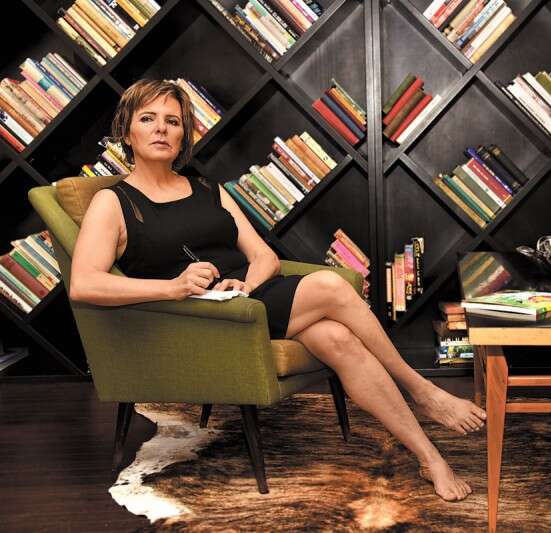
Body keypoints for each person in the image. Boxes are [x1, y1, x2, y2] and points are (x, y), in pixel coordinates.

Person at [69, 79, 486, 502]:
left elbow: (264, 257)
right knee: (330, 284)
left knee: (338, 338)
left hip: (249, 299)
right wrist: (172, 287)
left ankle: (430, 458)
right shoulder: (113, 202)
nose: (161, 128)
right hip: (203, 319)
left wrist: (247, 284)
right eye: (147, 119)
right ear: (127, 132)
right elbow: (84, 283)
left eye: (172, 121)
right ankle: (422, 390)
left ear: (183, 136)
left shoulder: (207, 190)